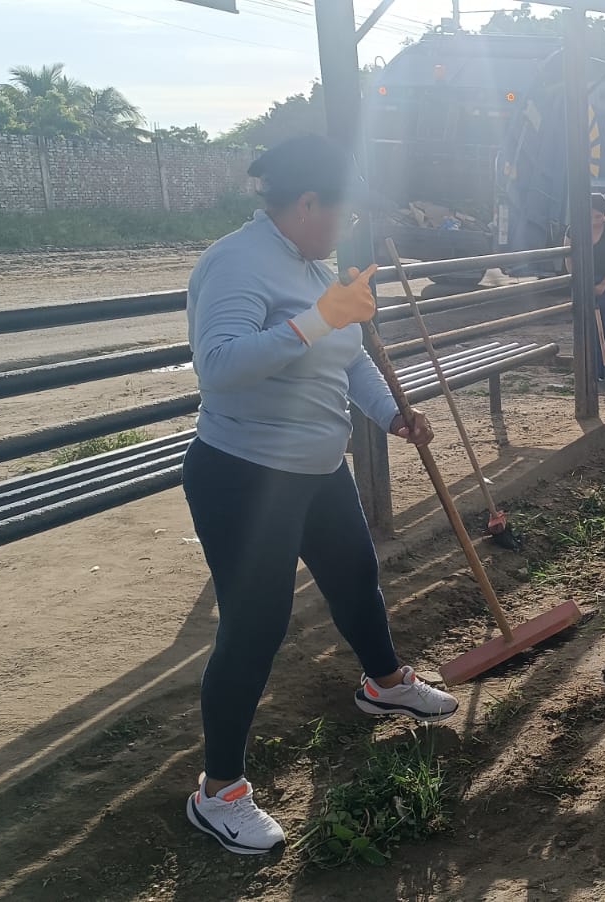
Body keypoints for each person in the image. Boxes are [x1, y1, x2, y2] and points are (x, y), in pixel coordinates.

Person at [181, 135, 459, 855]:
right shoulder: (237, 262)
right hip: (245, 474)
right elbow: (218, 365)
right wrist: (318, 319)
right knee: (255, 626)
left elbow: (350, 355)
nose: (348, 224)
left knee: (355, 577)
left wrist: (390, 412)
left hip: (315, 468)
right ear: (308, 202)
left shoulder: (315, 265)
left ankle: (384, 683)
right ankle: (219, 791)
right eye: (344, 211)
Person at [565, 193, 605, 382]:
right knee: (585, 327)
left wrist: (603, 285)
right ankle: (586, 370)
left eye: (598, 217)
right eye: (590, 217)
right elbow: (569, 258)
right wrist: (579, 281)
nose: (594, 221)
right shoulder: (574, 230)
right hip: (583, 282)